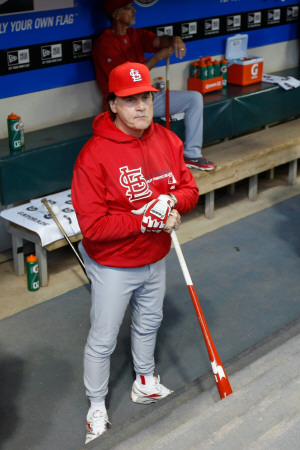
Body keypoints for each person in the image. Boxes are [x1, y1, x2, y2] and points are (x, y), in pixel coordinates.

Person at [72, 61, 199, 444]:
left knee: (149, 321)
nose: (142, 106)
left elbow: (189, 187)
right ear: (112, 104)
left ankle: (145, 381)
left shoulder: (168, 140)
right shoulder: (93, 156)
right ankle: (96, 404)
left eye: (146, 96)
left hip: (155, 255)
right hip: (113, 264)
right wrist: (145, 219)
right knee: (104, 338)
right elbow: (93, 227)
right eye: (130, 100)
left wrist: (173, 203)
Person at [91, 0, 217, 171]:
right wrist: (158, 57)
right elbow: (127, 78)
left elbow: (159, 41)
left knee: (194, 98)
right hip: (121, 103)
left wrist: (173, 40)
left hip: (145, 97)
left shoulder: (135, 34)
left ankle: (192, 155)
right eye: (128, 8)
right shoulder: (105, 44)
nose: (134, 11)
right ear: (115, 15)